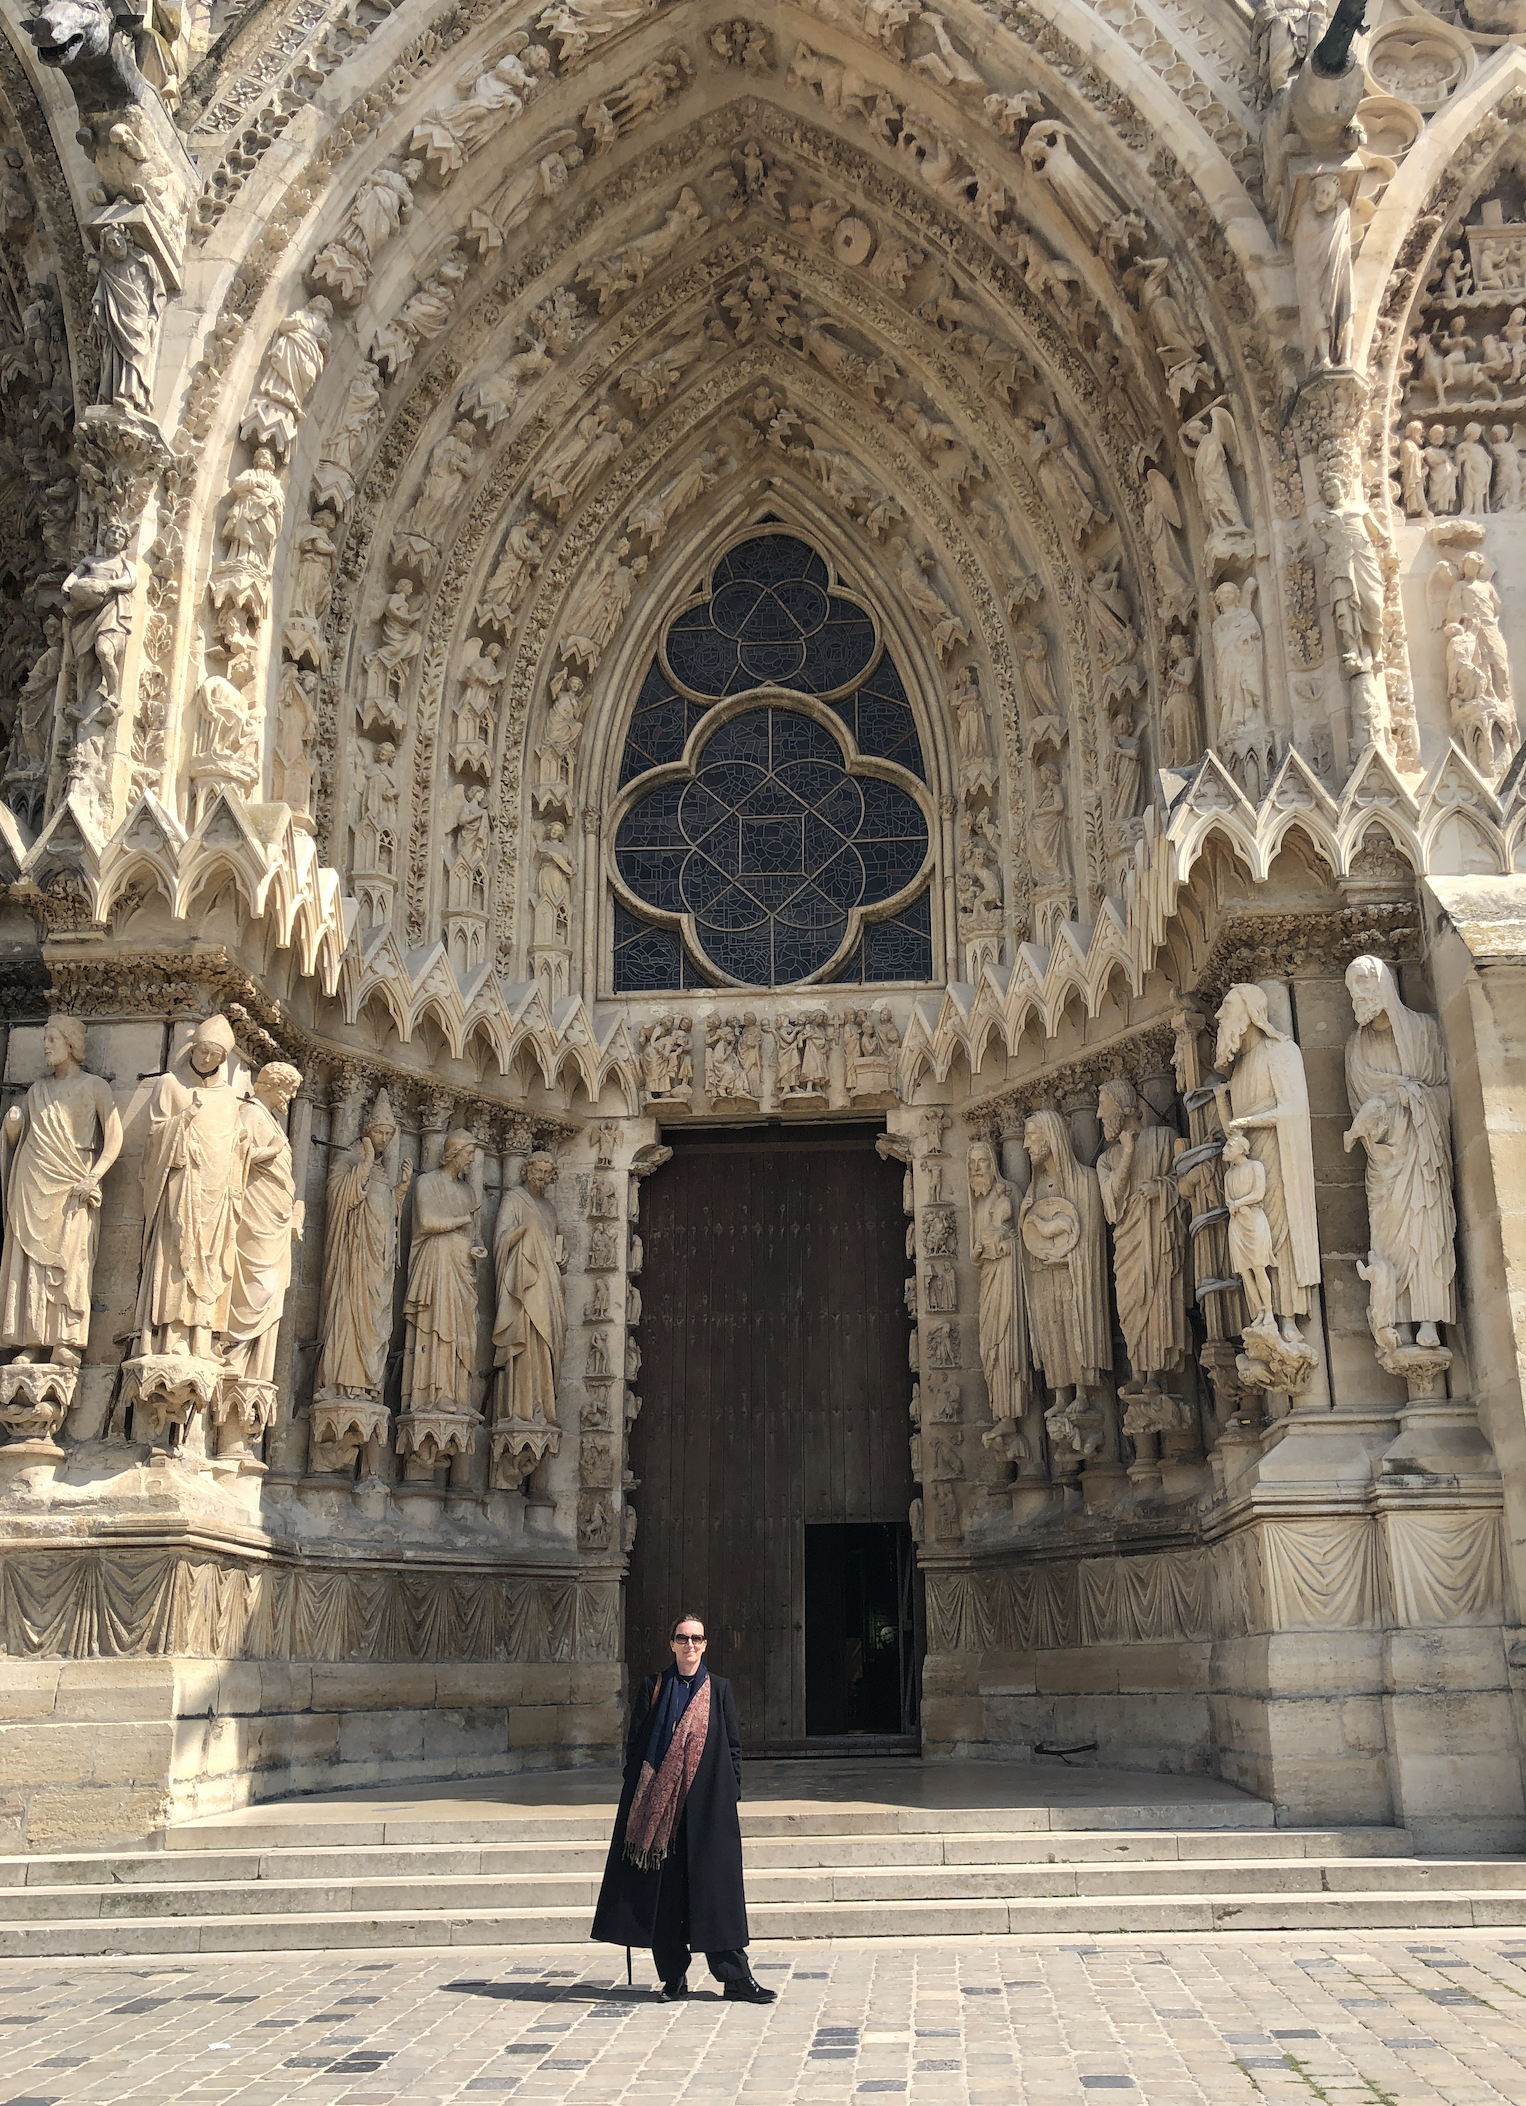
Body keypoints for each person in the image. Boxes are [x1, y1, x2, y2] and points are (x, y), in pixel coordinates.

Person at [592, 1613, 775, 2003]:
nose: (689, 1645)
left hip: (708, 1810)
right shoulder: (654, 1687)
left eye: (696, 1639)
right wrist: (640, 1799)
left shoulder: (719, 1689)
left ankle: (735, 1977)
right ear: (672, 1644)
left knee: (717, 1895)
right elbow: (637, 1745)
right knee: (667, 1898)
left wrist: (731, 1793)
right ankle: (672, 1978)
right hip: (661, 1814)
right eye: (682, 1638)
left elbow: (732, 1747)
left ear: (705, 1645)